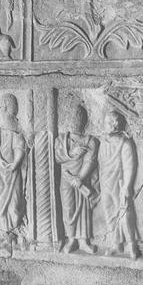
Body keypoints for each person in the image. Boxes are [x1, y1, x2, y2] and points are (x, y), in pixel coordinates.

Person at [54, 105, 99, 254]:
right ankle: (71, 239)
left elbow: (90, 161)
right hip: (66, 179)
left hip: (82, 180)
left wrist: (80, 178)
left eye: (79, 118)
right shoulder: (61, 139)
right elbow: (57, 157)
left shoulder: (90, 141)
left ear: (84, 121)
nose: (75, 121)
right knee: (68, 208)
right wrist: (72, 154)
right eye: (73, 117)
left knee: (84, 210)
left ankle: (84, 241)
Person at [98, 110, 138, 259]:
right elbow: (100, 164)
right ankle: (116, 244)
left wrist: (127, 186)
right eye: (108, 121)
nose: (109, 125)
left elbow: (129, 166)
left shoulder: (125, 143)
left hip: (120, 183)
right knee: (109, 214)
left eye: (111, 122)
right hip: (105, 183)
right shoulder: (103, 142)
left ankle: (132, 245)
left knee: (124, 214)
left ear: (117, 124)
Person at [0, 94, 27, 247]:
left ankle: (16, 229)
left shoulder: (17, 127)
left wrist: (15, 163)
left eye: (16, 105)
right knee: (0, 202)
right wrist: (1, 161)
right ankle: (6, 233)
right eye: (13, 104)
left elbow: (19, 147)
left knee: (16, 203)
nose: (15, 108)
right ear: (5, 106)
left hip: (14, 171)